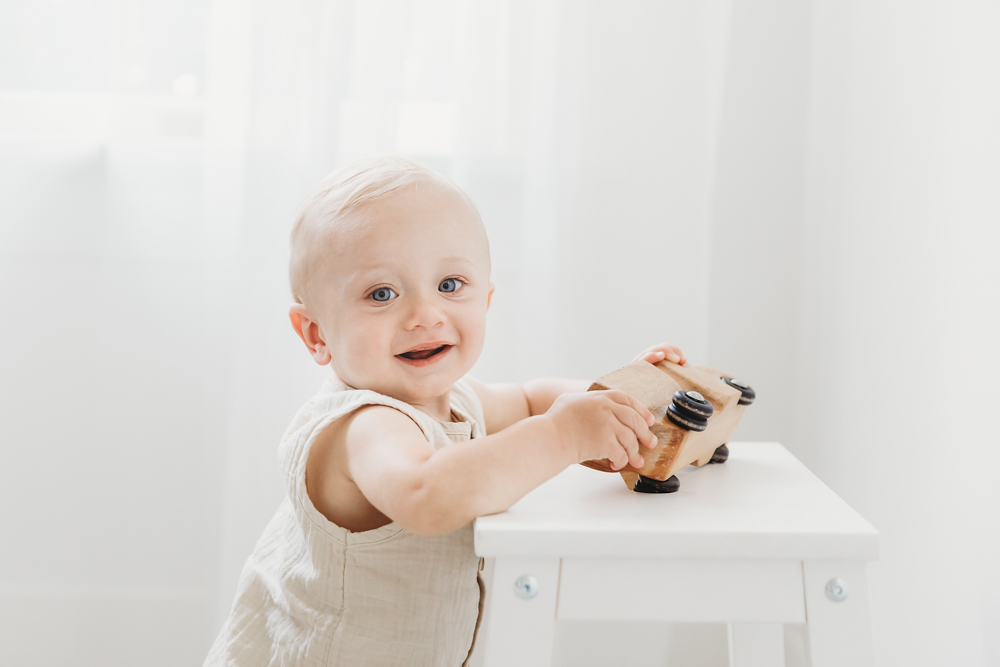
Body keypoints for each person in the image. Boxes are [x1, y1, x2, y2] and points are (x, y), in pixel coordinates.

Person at [204, 155, 687, 666]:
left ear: (486, 299)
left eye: (450, 285)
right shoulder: (365, 426)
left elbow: (529, 399)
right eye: (382, 294)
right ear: (317, 334)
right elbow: (428, 494)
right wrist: (563, 436)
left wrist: (621, 397)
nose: (425, 315)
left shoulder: (454, 402)